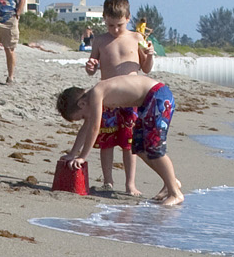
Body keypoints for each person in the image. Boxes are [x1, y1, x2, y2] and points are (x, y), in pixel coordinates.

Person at [58, 72, 183, 206]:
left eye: (82, 116)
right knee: (140, 148)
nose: (84, 119)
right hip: (147, 103)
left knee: (154, 147)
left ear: (82, 104)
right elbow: (86, 127)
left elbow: (94, 128)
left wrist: (83, 156)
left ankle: (175, 193)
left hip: (157, 96)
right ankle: (172, 182)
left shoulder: (96, 93)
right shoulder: (92, 97)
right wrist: (73, 153)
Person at [81, 0, 157, 195]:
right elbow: (92, 68)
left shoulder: (136, 38)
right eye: (111, 25)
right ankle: (108, 181)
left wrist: (149, 56)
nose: (115, 30)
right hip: (107, 100)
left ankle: (130, 184)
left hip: (132, 100)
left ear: (129, 18)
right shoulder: (100, 41)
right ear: (104, 18)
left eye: (119, 25)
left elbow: (146, 69)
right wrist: (91, 67)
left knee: (129, 144)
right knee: (106, 141)